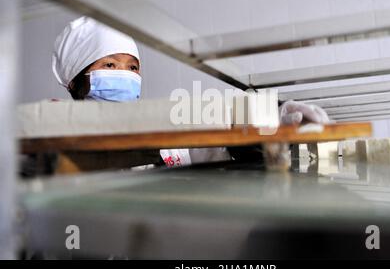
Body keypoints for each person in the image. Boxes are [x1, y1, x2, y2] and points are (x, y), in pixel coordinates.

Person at [52, 16, 330, 168]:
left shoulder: (161, 130)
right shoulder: (54, 131)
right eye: (110, 65)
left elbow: (217, 145)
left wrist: (271, 120)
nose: (125, 75)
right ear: (76, 83)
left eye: (132, 67)